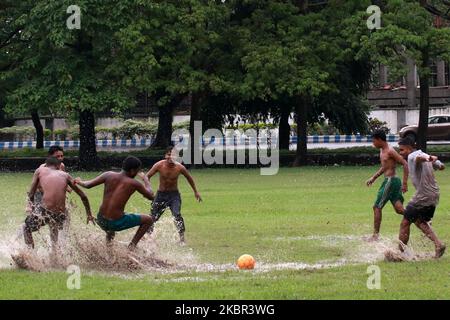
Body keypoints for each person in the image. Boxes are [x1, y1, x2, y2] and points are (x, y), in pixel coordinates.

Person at [75, 156, 154, 249]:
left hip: (101, 219)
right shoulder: (134, 183)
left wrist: (79, 181)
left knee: (110, 231)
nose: (136, 173)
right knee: (148, 220)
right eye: (137, 171)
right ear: (132, 171)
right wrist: (146, 180)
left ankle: (108, 249)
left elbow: (87, 185)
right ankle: (132, 247)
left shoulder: (108, 174)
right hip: (116, 223)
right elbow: (150, 196)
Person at [24, 157, 94, 250]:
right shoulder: (66, 175)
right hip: (61, 214)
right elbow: (83, 196)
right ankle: (55, 254)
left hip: (45, 212)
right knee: (54, 226)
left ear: (46, 165)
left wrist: (32, 209)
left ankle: (30, 254)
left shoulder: (40, 171)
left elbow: (31, 193)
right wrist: (89, 214)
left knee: (26, 228)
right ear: (58, 166)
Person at [397, 137, 446, 258]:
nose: (400, 153)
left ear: (409, 148)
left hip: (423, 195)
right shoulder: (424, 154)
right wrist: (431, 159)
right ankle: (438, 244)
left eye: (401, 150)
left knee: (405, 222)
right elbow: (442, 166)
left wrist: (427, 158)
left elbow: (419, 159)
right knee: (419, 221)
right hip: (434, 195)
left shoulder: (413, 156)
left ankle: (400, 253)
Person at [146, 146, 202, 244]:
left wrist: (196, 192)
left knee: (177, 215)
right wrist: (148, 189)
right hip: (160, 195)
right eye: (169, 154)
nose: (170, 157)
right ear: (165, 155)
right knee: (153, 217)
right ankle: (148, 237)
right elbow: (147, 177)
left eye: (173, 155)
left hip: (174, 196)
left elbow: (189, 178)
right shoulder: (159, 165)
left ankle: (182, 238)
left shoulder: (180, 167)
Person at [366, 130, 408, 241]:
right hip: (391, 181)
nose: (373, 143)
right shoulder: (382, 150)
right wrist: (374, 177)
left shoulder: (390, 151)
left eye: (373, 141)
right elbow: (385, 167)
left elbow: (404, 163)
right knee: (399, 209)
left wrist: (405, 183)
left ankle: (375, 236)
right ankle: (420, 217)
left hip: (391, 181)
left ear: (379, 139)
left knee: (376, 207)